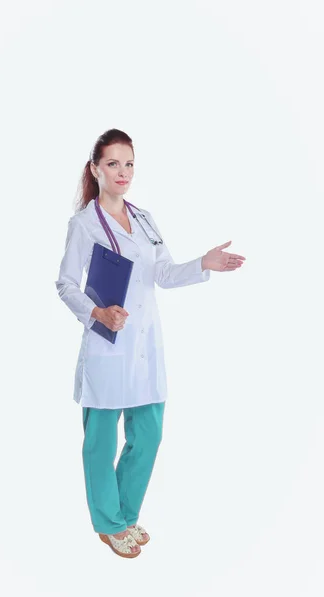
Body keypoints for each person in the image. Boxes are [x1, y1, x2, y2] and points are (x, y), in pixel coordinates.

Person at [54, 128, 246, 558]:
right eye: (113, 164)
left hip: (145, 347)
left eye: (129, 164)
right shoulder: (84, 224)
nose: (123, 172)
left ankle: (124, 514)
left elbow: (162, 274)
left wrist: (203, 263)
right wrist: (96, 313)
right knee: (100, 443)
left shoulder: (143, 218)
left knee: (149, 434)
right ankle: (108, 524)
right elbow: (66, 285)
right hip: (107, 344)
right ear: (95, 170)